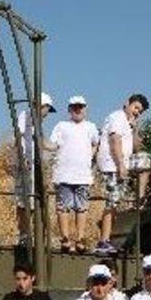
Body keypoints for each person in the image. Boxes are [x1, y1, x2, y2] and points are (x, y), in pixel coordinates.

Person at [95, 94, 149, 255]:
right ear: (127, 103)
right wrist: (120, 166)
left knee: (145, 160)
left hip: (122, 163)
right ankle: (103, 241)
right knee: (111, 202)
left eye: (140, 111)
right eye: (136, 107)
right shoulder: (117, 117)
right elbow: (114, 141)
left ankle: (140, 197)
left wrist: (135, 128)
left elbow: (138, 147)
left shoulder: (128, 122)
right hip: (112, 164)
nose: (137, 112)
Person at [48, 95, 99, 253]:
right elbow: (53, 145)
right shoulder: (61, 126)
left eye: (80, 107)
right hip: (64, 174)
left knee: (81, 208)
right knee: (63, 207)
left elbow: (96, 143)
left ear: (85, 109)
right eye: (75, 107)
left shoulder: (91, 127)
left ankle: (80, 238)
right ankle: (65, 238)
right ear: (69, 109)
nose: (78, 110)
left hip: (83, 175)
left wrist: (90, 156)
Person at [13, 93, 57, 245]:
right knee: (24, 199)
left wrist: (60, 147)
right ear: (42, 106)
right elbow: (18, 136)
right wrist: (23, 156)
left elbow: (43, 143)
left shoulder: (38, 123)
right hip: (25, 162)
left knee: (32, 199)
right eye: (47, 109)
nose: (47, 114)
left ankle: (31, 233)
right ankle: (24, 234)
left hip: (33, 164)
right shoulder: (25, 116)